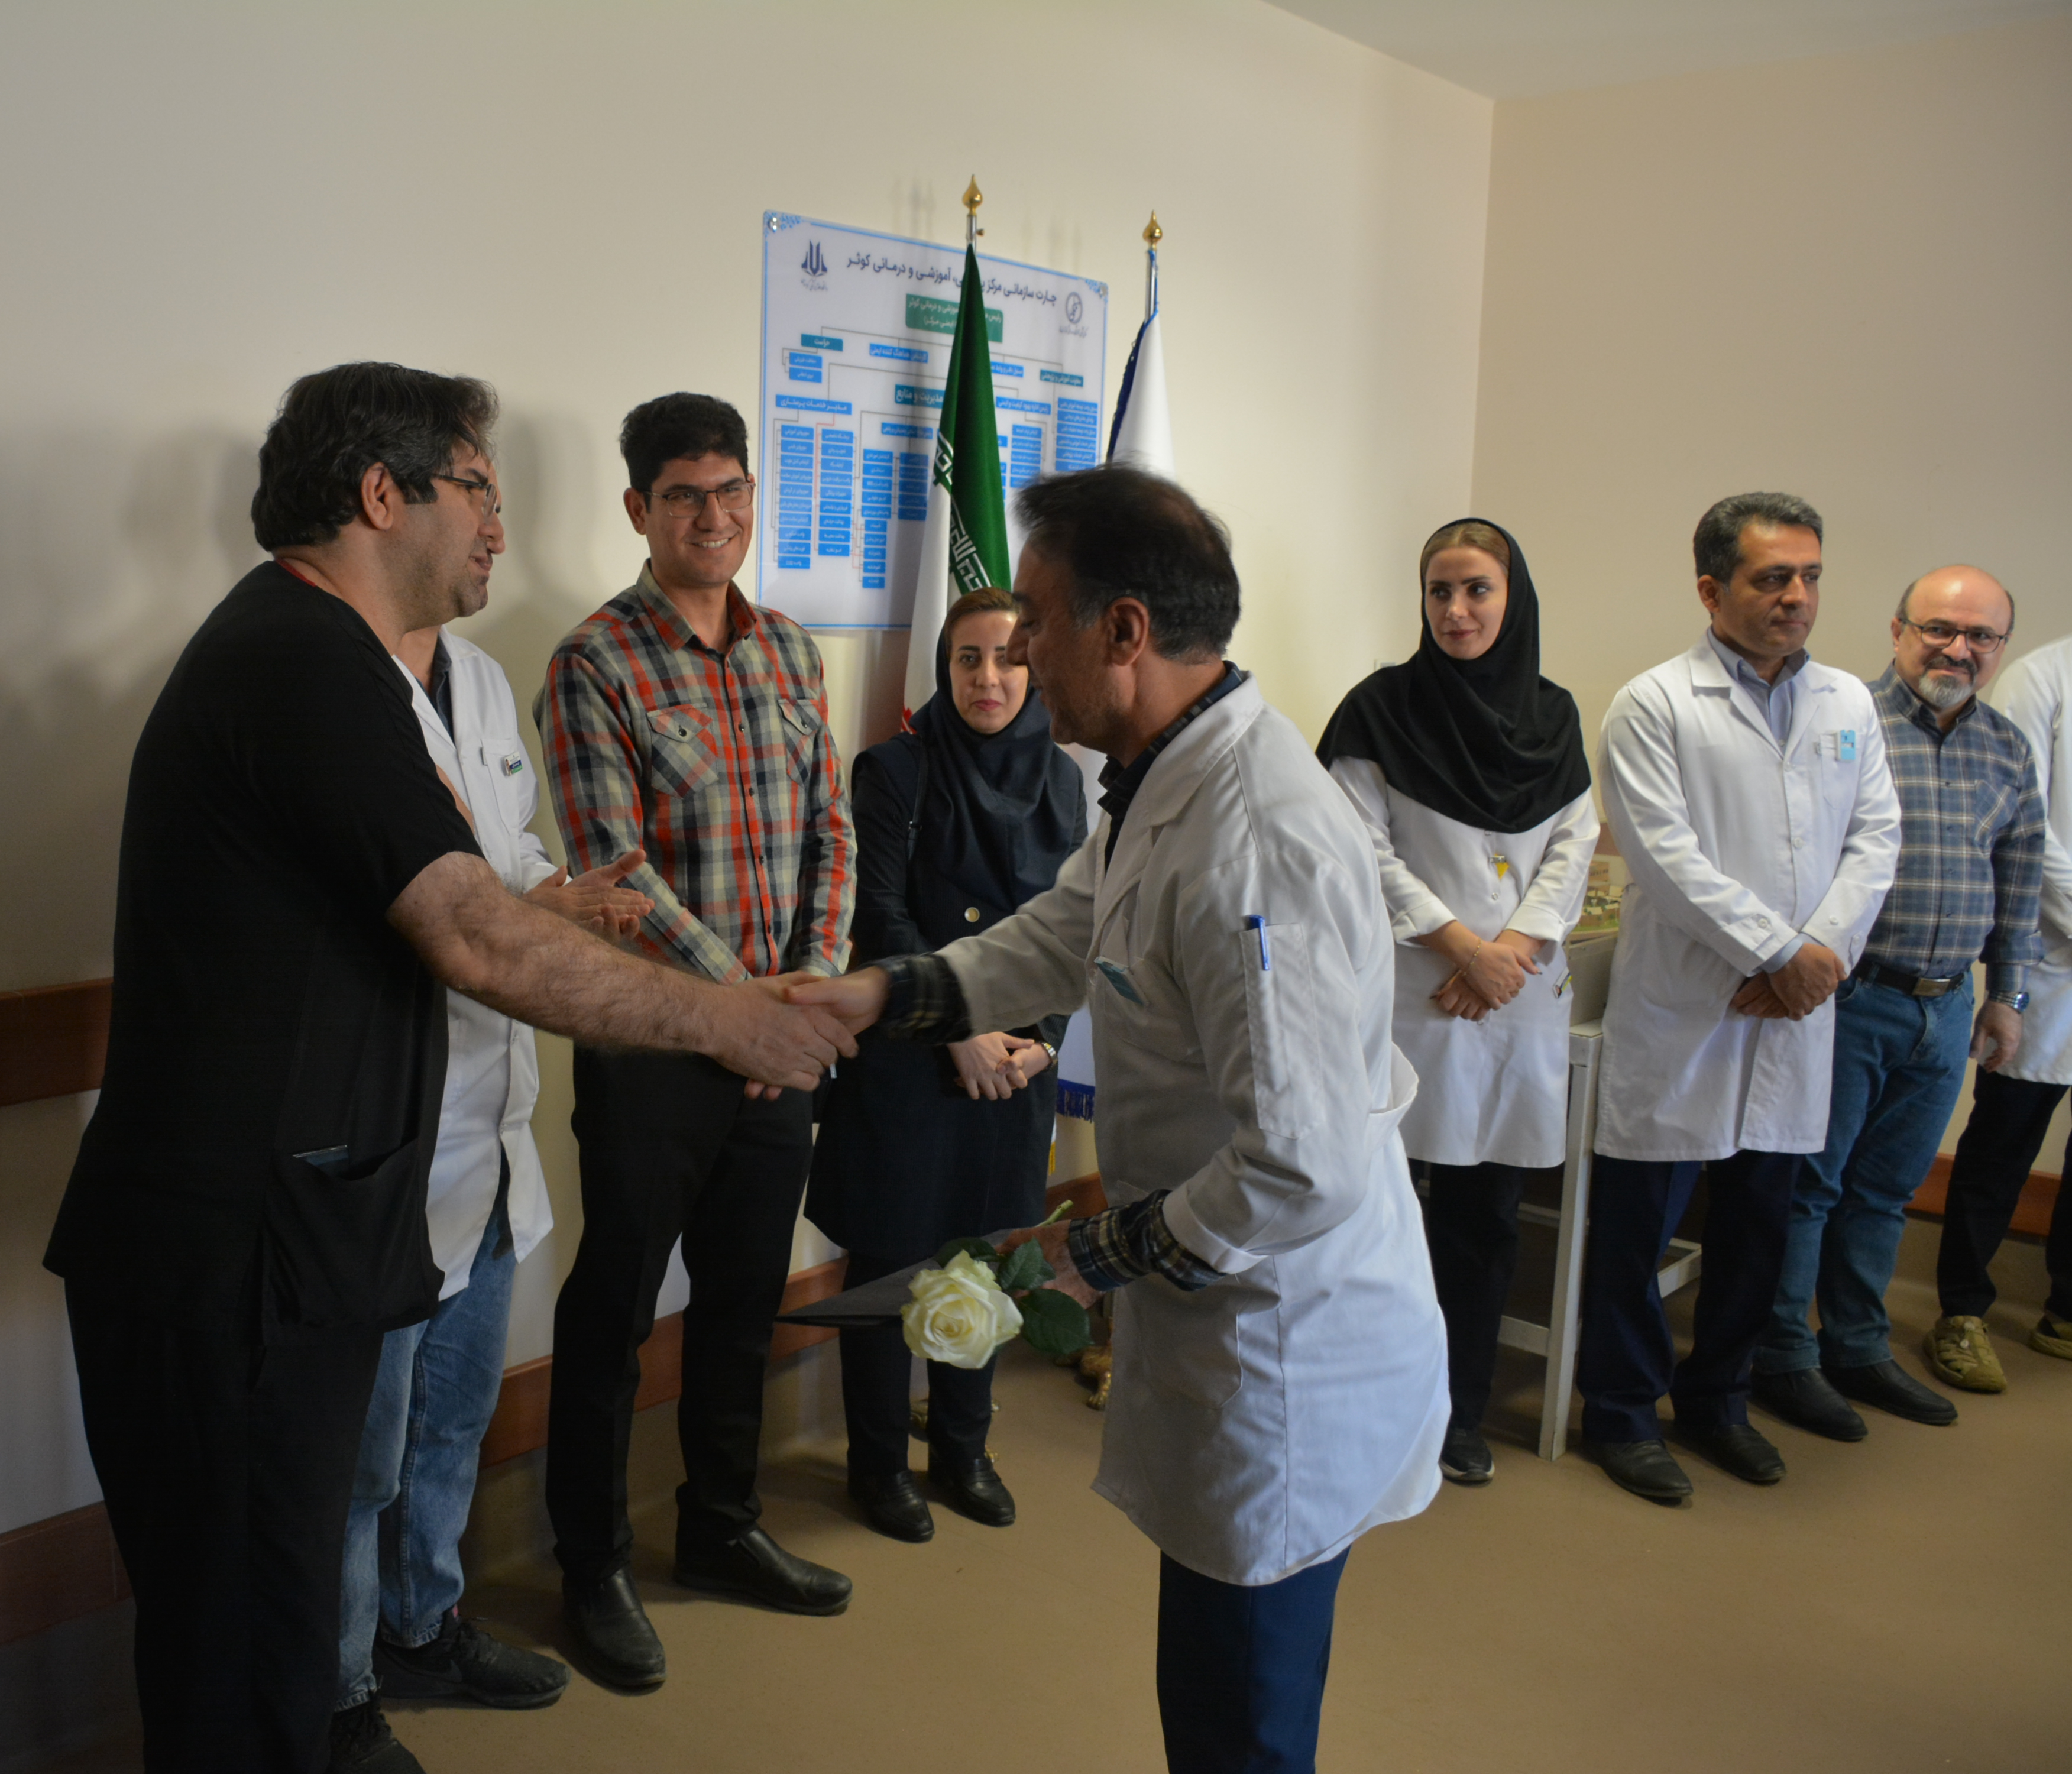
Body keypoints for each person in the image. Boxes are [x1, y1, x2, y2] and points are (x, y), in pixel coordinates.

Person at [43, 363, 854, 1773]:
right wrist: (728, 1020)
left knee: (272, 1637)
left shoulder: (342, 661)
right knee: (242, 1657)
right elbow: (474, 928)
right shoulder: (296, 661)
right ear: (382, 494)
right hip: (229, 1267)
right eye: (477, 487)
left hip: (293, 1239)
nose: (498, 525)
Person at [794, 465, 1448, 1774]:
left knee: (1240, 1720)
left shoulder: (1252, 840)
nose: (1021, 651)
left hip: (1285, 1341)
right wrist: (871, 996)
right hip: (1222, 1307)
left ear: (1125, 631)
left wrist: (1087, 1254)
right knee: (1209, 1693)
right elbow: (1062, 930)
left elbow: (1301, 1167)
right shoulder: (1163, 776)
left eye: (1038, 621)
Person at [533, 391, 858, 1690]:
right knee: (614, 1310)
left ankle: (721, 1527)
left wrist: (810, 988)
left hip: (782, 1043)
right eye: (683, 496)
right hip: (657, 1050)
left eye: (730, 491)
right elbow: (616, 875)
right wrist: (747, 1012)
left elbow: (831, 830)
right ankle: (592, 1564)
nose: (712, 517)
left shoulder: (792, 652)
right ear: (639, 510)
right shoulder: (595, 662)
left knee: (741, 1300)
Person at [326, 602, 652, 1773]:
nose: (494, 530)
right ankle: (339, 1692)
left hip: (493, 1135)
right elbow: (403, 911)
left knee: (453, 1422)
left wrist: (561, 891)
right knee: (362, 1459)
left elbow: (504, 862)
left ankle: (423, 1626)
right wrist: (529, 913)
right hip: (390, 1153)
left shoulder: (474, 673)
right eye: (480, 509)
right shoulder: (324, 683)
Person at [1580, 492, 1900, 1506]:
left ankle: (1718, 1402)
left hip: (1797, 1008)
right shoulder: (1653, 703)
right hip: (1689, 1005)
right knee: (1638, 1231)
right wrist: (1780, 953)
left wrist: (1820, 957)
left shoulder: (1848, 703)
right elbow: (1662, 857)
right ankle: (1622, 1413)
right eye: (1773, 578)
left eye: (1810, 576)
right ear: (1712, 589)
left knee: (1759, 1225)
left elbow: (1875, 839)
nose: (1797, 596)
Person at [1318, 518, 1598, 1487]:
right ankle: (1368, 1399)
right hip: (1411, 991)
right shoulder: (1379, 710)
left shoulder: (1555, 716)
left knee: (1485, 1220)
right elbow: (1356, 848)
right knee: (1377, 1212)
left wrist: (1510, 951)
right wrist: (1464, 948)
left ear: (1513, 599)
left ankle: (1458, 1411)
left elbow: (1574, 843)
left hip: (1510, 1000)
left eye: (1477, 589)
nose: (1456, 609)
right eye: (1440, 590)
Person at [805, 584, 1084, 1544]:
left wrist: (1045, 1039)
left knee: (993, 1259)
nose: (989, 678)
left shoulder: (1064, 780)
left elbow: (1074, 928)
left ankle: (964, 1450)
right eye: (969, 658)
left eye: (1010, 657)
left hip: (1014, 1068)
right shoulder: (894, 769)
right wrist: (957, 1027)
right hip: (914, 1057)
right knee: (890, 1260)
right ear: (944, 669)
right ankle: (878, 1464)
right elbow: (879, 916)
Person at [1749, 568, 2041, 1436]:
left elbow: (2019, 878)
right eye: (1940, 628)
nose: (1959, 649)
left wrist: (2006, 995)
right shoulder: (1842, 720)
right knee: (1811, 1186)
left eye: (1981, 636)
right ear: (1898, 630)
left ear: (2000, 648)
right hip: (1850, 996)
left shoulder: (2007, 748)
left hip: (1946, 1008)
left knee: (1886, 1191)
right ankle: (1782, 1355)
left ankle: (1857, 1347)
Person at [1927, 626, 2072, 1391]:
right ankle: (1962, 1311)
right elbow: (2026, 834)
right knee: (2002, 1144)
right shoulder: (2043, 680)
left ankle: (2066, 1310)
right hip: (2048, 958)